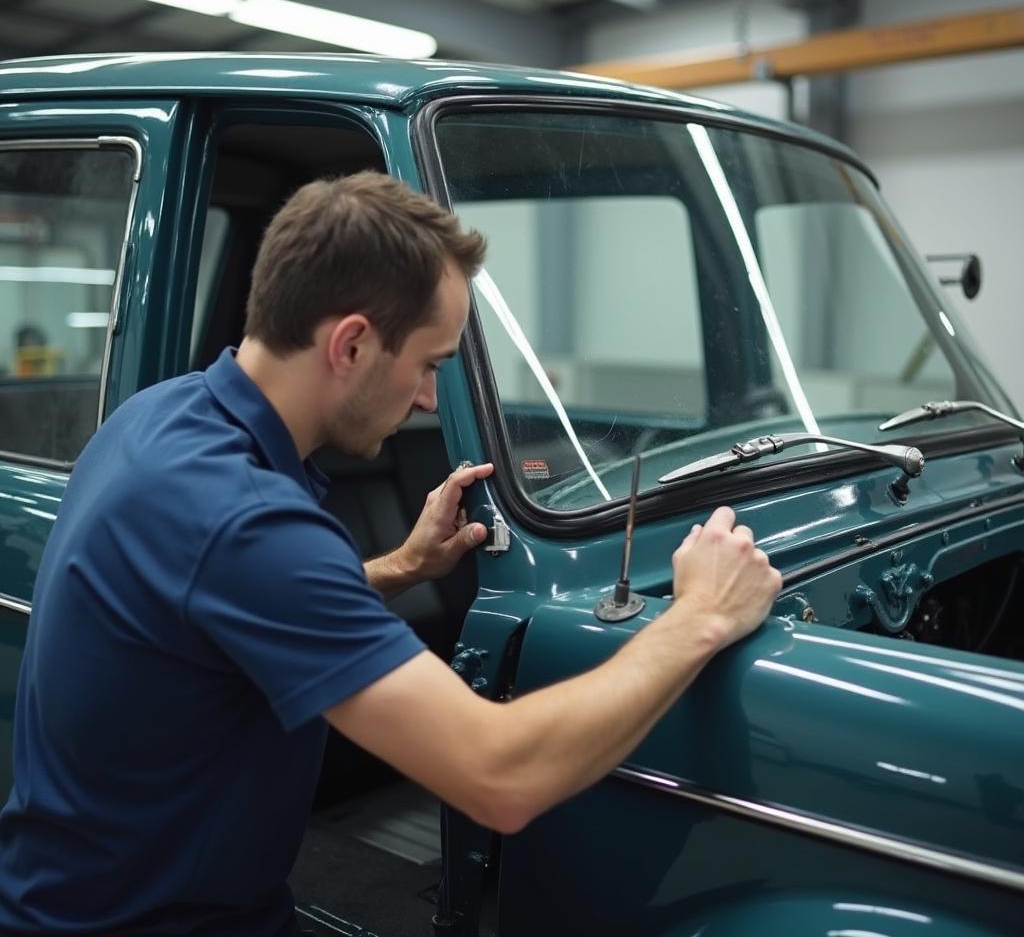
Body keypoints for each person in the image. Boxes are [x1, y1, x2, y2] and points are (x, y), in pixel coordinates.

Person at [0, 171, 781, 936]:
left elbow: (218, 615)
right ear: (351, 344)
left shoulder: (162, 418)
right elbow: (500, 776)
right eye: (431, 364)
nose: (428, 399)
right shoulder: (244, 523)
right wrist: (701, 618)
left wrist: (401, 568)